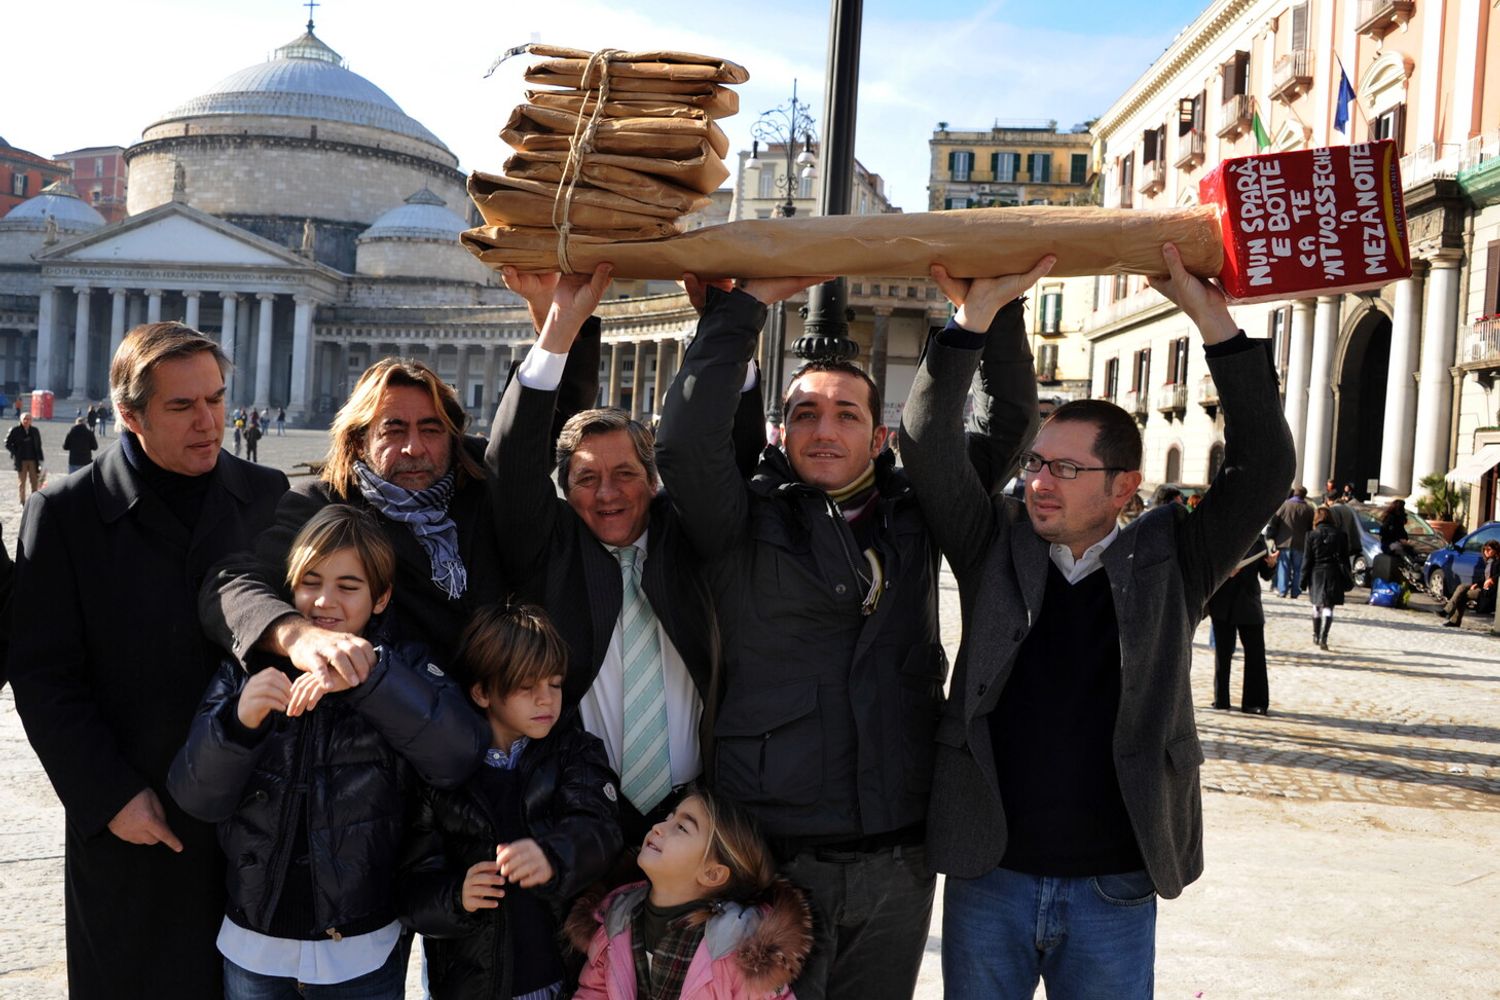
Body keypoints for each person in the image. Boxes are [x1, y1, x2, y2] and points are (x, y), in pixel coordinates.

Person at [898, 243, 1295, 998]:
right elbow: (926, 444)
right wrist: (970, 322)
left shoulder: (1172, 557)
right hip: (992, 875)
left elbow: (1265, 468)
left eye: (1064, 469)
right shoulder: (994, 542)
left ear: (1123, 488)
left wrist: (1213, 320)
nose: (1038, 482)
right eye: (1036, 464)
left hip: (1115, 881)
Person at [655, 258, 1051, 1000]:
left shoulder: (918, 512)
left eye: (847, 414)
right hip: (771, 858)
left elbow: (1001, 431)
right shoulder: (739, 519)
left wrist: (998, 311)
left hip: (897, 855)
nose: (825, 429)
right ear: (781, 431)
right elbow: (683, 444)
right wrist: (741, 316)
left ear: (880, 439)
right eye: (806, 413)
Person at [7, 322, 289, 999]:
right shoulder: (65, 513)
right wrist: (107, 797)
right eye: (183, 406)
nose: (210, 422)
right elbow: (44, 678)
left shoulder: (270, 493)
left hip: (256, 819)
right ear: (128, 414)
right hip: (136, 813)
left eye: (217, 400)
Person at [487, 265, 766, 846]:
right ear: (563, 488)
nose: (609, 494)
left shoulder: (688, 536)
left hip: (690, 812)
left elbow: (729, 458)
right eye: (587, 479)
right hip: (572, 809)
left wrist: (730, 334)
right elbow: (511, 467)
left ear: (654, 480)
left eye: (626, 474)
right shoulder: (550, 547)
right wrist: (559, 328)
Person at [168, 504, 487, 999]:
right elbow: (196, 797)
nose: (324, 601)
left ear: (381, 598)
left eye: (348, 586)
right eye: (310, 581)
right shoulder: (249, 667)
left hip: (361, 950)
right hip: (254, 947)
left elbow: (457, 756)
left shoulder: (405, 666)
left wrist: (373, 680)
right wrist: (237, 723)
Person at [203, 339, 597, 673]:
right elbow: (232, 585)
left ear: (452, 436)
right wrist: (297, 636)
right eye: (393, 430)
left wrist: (559, 327)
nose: (415, 448)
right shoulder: (322, 504)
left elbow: (543, 428)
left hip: (506, 718)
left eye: (431, 429)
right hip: (397, 728)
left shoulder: (483, 481)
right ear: (358, 440)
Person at [399, 601, 622, 1000]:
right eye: (527, 686)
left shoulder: (574, 751)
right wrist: (455, 896)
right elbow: (409, 888)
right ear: (482, 691)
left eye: (554, 684)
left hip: (562, 981)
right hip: (469, 988)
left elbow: (600, 828)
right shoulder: (442, 771)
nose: (546, 700)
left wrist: (553, 855)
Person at [567, 786, 813, 1000]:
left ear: (712, 874)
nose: (659, 827)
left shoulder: (738, 949)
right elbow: (594, 993)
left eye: (682, 828)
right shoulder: (615, 922)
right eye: (668, 818)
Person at [1207, 536, 1278, 714]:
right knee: (1223, 653)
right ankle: (1221, 699)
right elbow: (1207, 568)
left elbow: (1266, 575)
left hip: (1248, 602)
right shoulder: (1222, 536)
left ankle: (1255, 703)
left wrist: (1270, 564)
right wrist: (1225, 572)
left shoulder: (1260, 540)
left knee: (1255, 654)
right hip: (1223, 603)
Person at [1301, 506, 1352, 649]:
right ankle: (1324, 637)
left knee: (1316, 606)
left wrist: (1302, 580)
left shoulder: (1311, 535)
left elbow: (1307, 560)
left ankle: (1316, 635)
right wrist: (1347, 577)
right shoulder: (1341, 535)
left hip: (1316, 573)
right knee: (1329, 606)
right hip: (1334, 573)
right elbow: (1345, 559)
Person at [1436, 539, 1500, 627]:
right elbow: (1483, 578)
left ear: (1496, 550)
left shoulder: (1498, 562)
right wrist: (1476, 584)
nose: (1486, 551)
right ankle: (1448, 613)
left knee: (1462, 595)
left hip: (1490, 591)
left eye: (1489, 549)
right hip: (1483, 587)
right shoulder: (1489, 562)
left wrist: (1493, 579)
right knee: (1462, 587)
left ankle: (1450, 616)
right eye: (1485, 549)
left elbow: (1496, 575)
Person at [1271, 486, 1314, 598]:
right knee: (1298, 569)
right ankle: (1295, 592)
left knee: (1283, 566)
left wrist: (1272, 537)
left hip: (1283, 541)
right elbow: (1310, 528)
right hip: (1301, 543)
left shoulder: (1284, 506)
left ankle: (1282, 590)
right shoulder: (1309, 509)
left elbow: (1275, 522)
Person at [6, 411, 44, 504]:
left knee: (34, 482)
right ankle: (22, 502)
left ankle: (34, 501)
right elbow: (7, 443)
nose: (27, 421)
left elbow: (39, 446)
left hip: (33, 460)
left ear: (32, 420)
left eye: (29, 419)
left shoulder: (35, 430)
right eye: (25, 419)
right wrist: (15, 452)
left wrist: (41, 459)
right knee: (22, 483)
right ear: (21, 420)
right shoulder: (15, 430)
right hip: (21, 460)